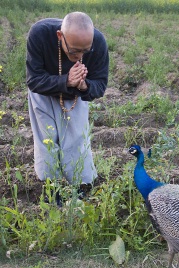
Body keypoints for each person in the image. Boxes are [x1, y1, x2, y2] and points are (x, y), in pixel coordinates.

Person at [26, 12, 109, 205]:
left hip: (76, 96)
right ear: (59, 37)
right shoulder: (39, 34)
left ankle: (80, 191)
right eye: (74, 52)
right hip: (43, 94)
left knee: (76, 141)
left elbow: (100, 85)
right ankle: (51, 191)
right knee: (47, 142)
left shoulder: (99, 43)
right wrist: (66, 80)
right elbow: (34, 80)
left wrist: (83, 86)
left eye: (85, 51)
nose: (79, 57)